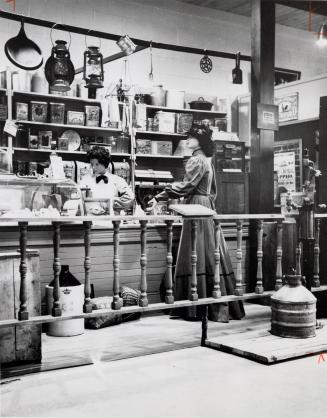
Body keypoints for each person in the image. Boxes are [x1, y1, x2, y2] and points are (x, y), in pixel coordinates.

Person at [148, 124, 244, 322]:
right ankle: (216, 304)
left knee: (195, 252)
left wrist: (160, 196)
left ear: (201, 140)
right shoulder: (207, 161)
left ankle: (195, 308)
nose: (187, 140)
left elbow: (185, 186)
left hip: (195, 209)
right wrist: (205, 202)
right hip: (207, 207)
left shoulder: (195, 160)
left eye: (191, 137)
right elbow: (213, 191)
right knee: (211, 252)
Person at [80, 146, 134, 214]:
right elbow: (79, 200)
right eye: (92, 164)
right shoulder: (85, 180)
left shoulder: (117, 180)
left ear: (104, 163)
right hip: (90, 221)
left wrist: (110, 203)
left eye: (97, 164)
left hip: (112, 221)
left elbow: (130, 198)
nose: (93, 167)